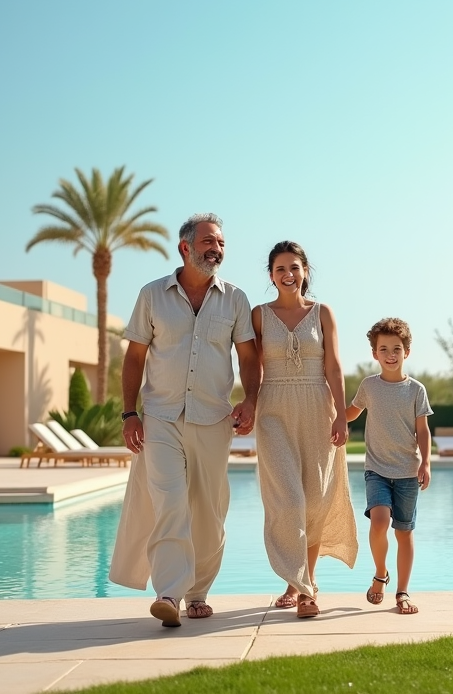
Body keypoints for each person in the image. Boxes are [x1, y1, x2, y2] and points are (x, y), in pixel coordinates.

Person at [109, 213, 260, 627]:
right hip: (160, 417)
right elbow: (134, 358)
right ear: (185, 247)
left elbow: (248, 357)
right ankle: (169, 594)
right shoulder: (152, 295)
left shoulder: (235, 299)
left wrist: (251, 400)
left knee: (209, 512)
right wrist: (129, 414)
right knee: (170, 503)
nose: (217, 249)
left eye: (222, 244)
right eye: (209, 241)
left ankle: (198, 592)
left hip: (213, 418)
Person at [253, 240, 358, 618]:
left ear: (305, 271)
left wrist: (341, 416)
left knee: (314, 501)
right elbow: (251, 368)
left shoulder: (323, 313)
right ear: (271, 276)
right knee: (290, 501)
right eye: (280, 268)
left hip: (318, 409)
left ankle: (304, 585)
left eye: (294, 267)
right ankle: (301, 585)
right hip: (275, 411)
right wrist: (248, 403)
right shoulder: (258, 316)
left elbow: (334, 367)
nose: (288, 274)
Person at [345, 317, 433, 615]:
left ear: (406, 351)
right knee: (379, 522)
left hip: (408, 472)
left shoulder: (416, 390)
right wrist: (326, 415)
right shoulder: (369, 386)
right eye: (384, 349)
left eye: (397, 348)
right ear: (375, 354)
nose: (391, 354)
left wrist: (426, 463)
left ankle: (402, 592)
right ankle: (381, 572)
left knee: (404, 533)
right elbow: (351, 414)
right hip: (377, 470)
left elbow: (423, 430)